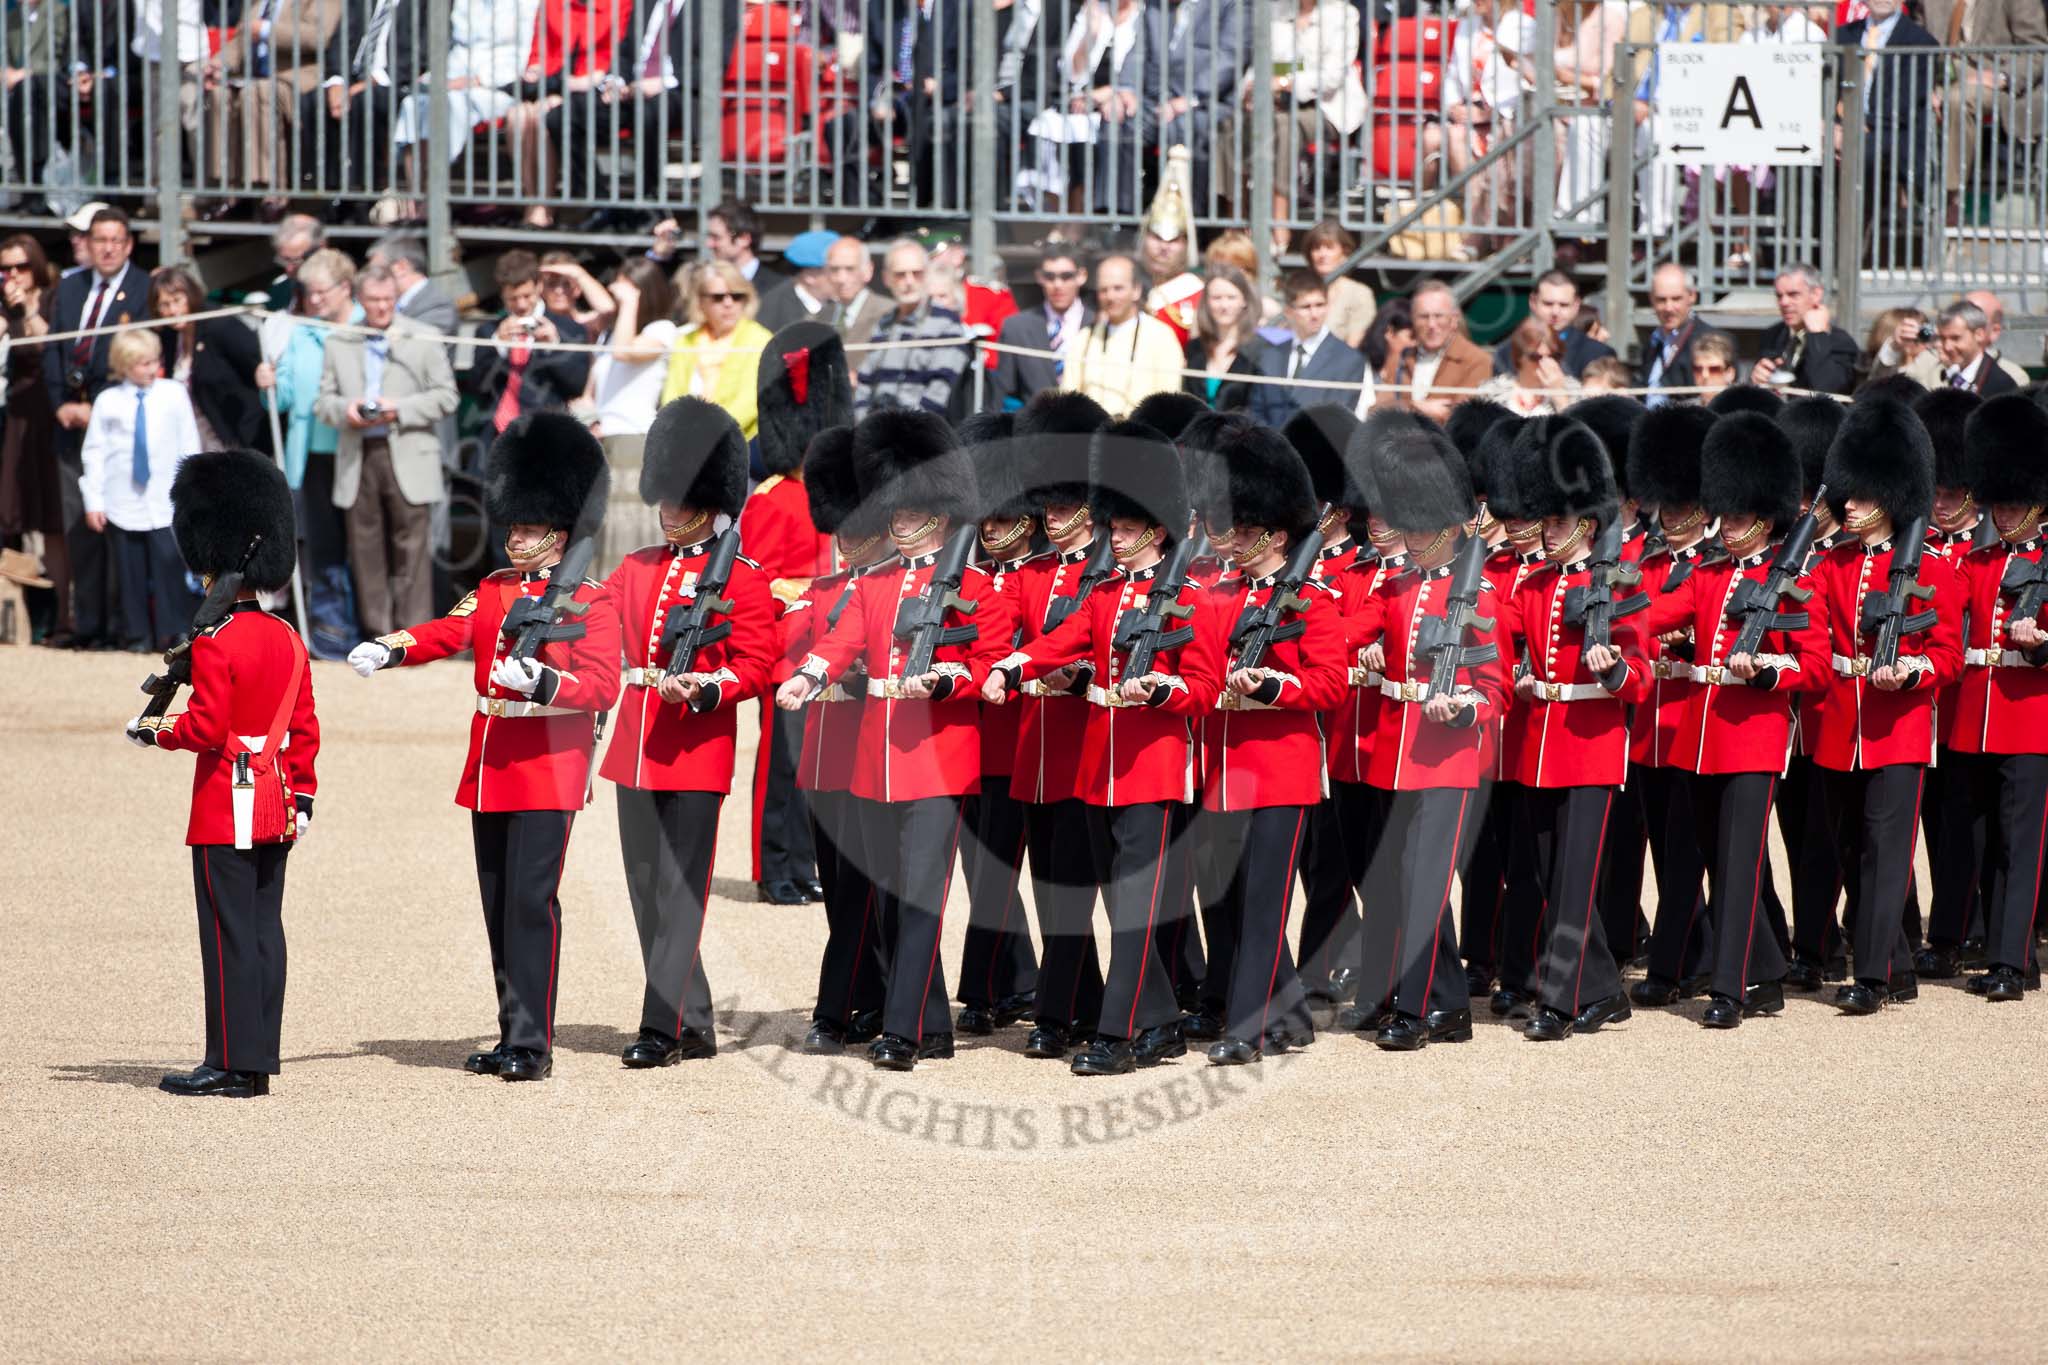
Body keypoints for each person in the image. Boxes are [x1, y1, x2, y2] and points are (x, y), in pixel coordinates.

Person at [346, 413, 623, 1082]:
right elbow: (451, 629)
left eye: (527, 527)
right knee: (499, 904)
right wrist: (393, 645)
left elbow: (602, 686)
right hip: (493, 763)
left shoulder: (593, 596)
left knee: (532, 903)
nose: (515, 534)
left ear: (559, 531)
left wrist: (543, 679)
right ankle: (510, 1034)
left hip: (550, 765)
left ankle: (533, 1043)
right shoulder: (497, 586)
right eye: (514, 524)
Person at [775, 410, 1011, 1072]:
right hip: (876, 761)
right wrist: (807, 677)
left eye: (908, 516)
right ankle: (932, 1023)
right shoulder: (876, 582)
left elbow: (990, 661)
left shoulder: (971, 585)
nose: (898, 525)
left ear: (936, 517)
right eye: (895, 515)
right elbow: (840, 639)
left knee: (915, 898)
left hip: (938, 760)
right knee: (890, 899)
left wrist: (946, 682)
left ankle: (902, 1031)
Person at [984, 421, 1214, 1073]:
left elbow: (1201, 684)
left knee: (1136, 908)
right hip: (1096, 769)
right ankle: (1162, 1021)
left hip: (1153, 767)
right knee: (1121, 904)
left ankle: (1115, 1035)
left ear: (1156, 528)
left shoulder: (1184, 598)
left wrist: (1161, 692)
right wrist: (1014, 666)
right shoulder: (1107, 594)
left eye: (1124, 525)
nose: (1113, 534)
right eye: (1112, 524)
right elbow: (1063, 641)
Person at [126, 449, 317, 1098]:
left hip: (227, 797)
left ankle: (229, 1062)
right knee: (264, 927)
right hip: (280, 796)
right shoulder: (289, 636)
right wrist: (304, 792)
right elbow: (306, 727)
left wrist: (158, 729)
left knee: (226, 931)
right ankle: (257, 1058)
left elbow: (206, 728)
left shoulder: (216, 640)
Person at [601, 397, 775, 1067]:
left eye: (680, 500)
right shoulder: (639, 566)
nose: (668, 511)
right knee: (647, 891)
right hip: (636, 748)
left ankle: (661, 1025)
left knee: (679, 893)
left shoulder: (744, 579)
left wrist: (705, 688)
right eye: (665, 499)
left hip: (697, 749)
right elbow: (595, 619)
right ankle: (694, 1018)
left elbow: (754, 665)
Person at [1345, 415, 1514, 1048]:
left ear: (1447, 527)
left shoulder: (1481, 595)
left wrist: (1463, 707)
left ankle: (1420, 1011)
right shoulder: (1397, 589)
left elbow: (1494, 688)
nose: (1409, 538)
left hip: (1447, 756)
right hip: (1398, 751)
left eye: (1419, 527)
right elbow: (1341, 638)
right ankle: (1444, 1004)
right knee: (1405, 881)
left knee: (1424, 883)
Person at [1184, 417, 1345, 1063]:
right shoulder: (1215, 595)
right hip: (1222, 766)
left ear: (1277, 532)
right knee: (1231, 898)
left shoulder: (1311, 598)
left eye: (1245, 529)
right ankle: (1292, 1016)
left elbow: (1330, 684)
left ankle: (1246, 1030)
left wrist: (1276, 687)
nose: (1232, 538)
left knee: (1262, 904)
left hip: (1281, 769)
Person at [1807, 397, 1966, 1013]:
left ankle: (1871, 975)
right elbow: (1814, 636)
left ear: (1892, 495)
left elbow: (1949, 654)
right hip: (1840, 727)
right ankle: (1896, 965)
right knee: (1850, 846)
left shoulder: (1935, 569)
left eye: (1863, 495)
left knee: (1884, 847)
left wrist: (1913, 670)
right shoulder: (1832, 564)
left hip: (1898, 727)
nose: (1848, 504)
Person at [1496, 415, 1649, 1040]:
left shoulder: (1616, 584)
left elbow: (1638, 675)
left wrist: (1612, 673)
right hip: (1538, 742)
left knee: (1572, 879)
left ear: (1585, 523)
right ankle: (1604, 989)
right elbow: (1499, 641)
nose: (1546, 531)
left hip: (1590, 745)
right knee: (1549, 874)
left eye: (1556, 522)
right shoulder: (1533, 582)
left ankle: (1560, 1003)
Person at [784, 426, 894, 1056]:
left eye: (858, 529)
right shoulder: (820, 591)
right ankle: (864, 998)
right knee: (841, 890)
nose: (848, 540)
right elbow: (782, 653)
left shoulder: (891, 588)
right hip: (824, 761)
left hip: (870, 753)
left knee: (865, 890)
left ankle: (841, 1006)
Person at [744, 321, 852, 905]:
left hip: (834, 648)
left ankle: (807, 862)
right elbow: (754, 582)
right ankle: (773, 865)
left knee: (820, 765)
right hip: (787, 648)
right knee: (781, 766)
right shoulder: (772, 500)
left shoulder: (837, 497)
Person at [1945, 395, 2048, 1000]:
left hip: (2030, 717)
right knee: (1983, 841)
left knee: (2022, 842)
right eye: (1999, 503)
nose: (2003, 514)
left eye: (2014, 504)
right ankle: (2002, 949)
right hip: (1975, 715)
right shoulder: (1980, 561)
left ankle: (2013, 959)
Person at [1619, 404, 1718, 1007]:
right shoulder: (1648, 563)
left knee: (1691, 851)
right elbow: (1638, 621)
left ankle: (1676, 963)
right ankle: (1693, 952)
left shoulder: (1714, 566)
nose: (1674, 517)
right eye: (1669, 506)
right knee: (1665, 847)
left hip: (1694, 723)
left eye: (1684, 507)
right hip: (1648, 726)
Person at [952, 412, 1043, 1036]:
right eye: (985, 519)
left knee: (1011, 871)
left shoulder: (1041, 576)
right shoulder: (966, 575)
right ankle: (1001, 985)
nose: (990, 530)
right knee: (982, 872)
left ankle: (1010, 985)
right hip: (971, 736)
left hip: (1025, 736)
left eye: (1002, 519)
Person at [317, 263, 458, 638]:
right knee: (365, 549)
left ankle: (414, 635)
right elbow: (324, 402)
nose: (382, 308)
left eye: (389, 300)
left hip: (408, 447)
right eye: (374, 301)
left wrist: (400, 408)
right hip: (358, 452)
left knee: (412, 547)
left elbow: (447, 396)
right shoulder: (339, 339)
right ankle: (377, 633)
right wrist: (345, 410)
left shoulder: (424, 336)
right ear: (360, 299)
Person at [46, 206, 150, 650]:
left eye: (115, 240)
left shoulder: (143, 290)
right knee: (79, 526)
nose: (106, 248)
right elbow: (53, 349)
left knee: (120, 525)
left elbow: (141, 355)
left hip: (118, 428)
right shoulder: (69, 289)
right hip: (71, 427)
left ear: (127, 245)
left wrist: (97, 405)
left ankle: (124, 626)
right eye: (99, 239)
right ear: (87, 243)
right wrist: (61, 405)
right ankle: (87, 624)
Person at [259, 247, 362, 659]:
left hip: (355, 450)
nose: (314, 300)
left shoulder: (366, 327)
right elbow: (283, 399)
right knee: (322, 545)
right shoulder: (300, 332)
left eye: (322, 292)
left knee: (362, 545)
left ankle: (367, 626)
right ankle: (330, 632)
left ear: (344, 288)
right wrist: (269, 381)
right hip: (310, 454)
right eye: (309, 292)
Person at [78, 327, 202, 652]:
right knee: (128, 573)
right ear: (124, 364)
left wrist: (191, 493)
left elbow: (189, 444)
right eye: (142, 363)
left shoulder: (173, 393)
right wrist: (94, 500)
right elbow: (95, 452)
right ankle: (136, 635)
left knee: (169, 567)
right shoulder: (108, 401)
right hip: (122, 501)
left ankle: (173, 632)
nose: (150, 369)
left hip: (165, 501)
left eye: (154, 361)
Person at [1220, 2, 1364, 245]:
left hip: (1326, 106)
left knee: (1284, 126)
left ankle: (1280, 221)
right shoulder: (1275, 10)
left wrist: (1284, 83)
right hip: (1275, 102)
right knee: (1230, 124)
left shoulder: (1344, 14)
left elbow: (1331, 76)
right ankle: (1235, 220)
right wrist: (1252, 89)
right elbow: (1262, 64)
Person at [383, 0, 534, 221]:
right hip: (458, 76)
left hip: (502, 84)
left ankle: (436, 194)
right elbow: (459, 48)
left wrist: (475, 80)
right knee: (414, 103)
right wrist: (439, 77)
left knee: (450, 105)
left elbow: (524, 52)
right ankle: (418, 198)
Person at [1091, 0, 1244, 215]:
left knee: (1190, 128)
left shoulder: (1232, 4)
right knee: (1117, 119)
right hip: (1155, 102)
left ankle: (1188, 221)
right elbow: (1138, 52)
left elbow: (1230, 58)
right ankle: (1117, 218)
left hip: (1205, 102)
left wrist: (1189, 99)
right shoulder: (1156, 6)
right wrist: (1125, 90)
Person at [202, 0, 345, 217]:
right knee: (219, 94)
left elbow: (318, 37)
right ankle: (228, 192)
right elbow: (242, 37)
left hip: (299, 74)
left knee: (259, 93)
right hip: (254, 76)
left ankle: (272, 192)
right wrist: (219, 64)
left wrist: (268, 30)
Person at [1835, 0, 1938, 267]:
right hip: (1841, 128)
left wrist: (1858, 125)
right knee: (1802, 157)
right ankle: (1809, 253)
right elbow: (1825, 85)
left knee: (1863, 154)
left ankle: (1849, 255)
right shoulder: (1842, 35)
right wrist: (1830, 124)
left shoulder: (1920, 41)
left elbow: (1905, 103)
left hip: (1890, 132)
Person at [506, 0, 623, 230]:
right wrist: (535, 72)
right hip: (550, 85)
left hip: (585, 89)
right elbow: (539, 54)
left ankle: (546, 204)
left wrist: (564, 86)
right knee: (517, 117)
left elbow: (610, 59)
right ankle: (532, 200)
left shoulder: (616, 6)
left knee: (545, 115)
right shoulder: (552, 4)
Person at [0, 234, 63, 638]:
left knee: (53, 518)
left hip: (48, 415)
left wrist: (25, 308)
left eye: (22, 266)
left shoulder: (55, 298)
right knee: (12, 514)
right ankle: (17, 614)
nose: (15, 276)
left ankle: (60, 615)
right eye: (6, 269)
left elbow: (48, 345)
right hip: (14, 417)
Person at [464, 250, 593, 441]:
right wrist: (497, 346)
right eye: (513, 299)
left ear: (539, 286)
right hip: (497, 436)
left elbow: (576, 386)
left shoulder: (569, 329)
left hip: (548, 435)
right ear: (502, 294)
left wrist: (553, 348)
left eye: (527, 296)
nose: (522, 305)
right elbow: (475, 387)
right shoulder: (488, 331)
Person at [148, 266, 269, 455]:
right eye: (164, 305)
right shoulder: (170, 336)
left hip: (236, 435)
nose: (173, 310)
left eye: (177, 300)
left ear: (190, 295)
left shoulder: (219, 324)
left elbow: (258, 362)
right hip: (194, 437)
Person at [853, 239, 972, 419]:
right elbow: (864, 384)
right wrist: (865, 430)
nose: (909, 281)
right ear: (886, 278)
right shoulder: (883, 323)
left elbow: (939, 393)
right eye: (900, 274)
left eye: (916, 273)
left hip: (920, 435)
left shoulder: (947, 323)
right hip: (874, 434)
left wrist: (905, 433)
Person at [1061, 254, 1183, 418]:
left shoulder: (1161, 336)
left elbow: (1169, 402)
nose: (1110, 296)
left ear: (1136, 290)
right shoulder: (1085, 338)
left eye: (1118, 288)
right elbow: (1069, 398)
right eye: (1104, 290)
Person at [1248, 270, 1368, 427]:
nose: (1314, 314)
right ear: (1289, 312)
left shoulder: (1349, 359)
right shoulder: (1270, 356)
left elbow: (1338, 420)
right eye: (1306, 307)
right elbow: (1255, 412)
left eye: (1320, 305)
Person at [990, 245, 1094, 412]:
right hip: (1034, 431)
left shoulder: (1098, 325)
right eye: (1050, 276)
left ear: (1081, 276)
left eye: (1066, 276)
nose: (1057, 284)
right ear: (1039, 277)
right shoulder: (1016, 327)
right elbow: (1002, 395)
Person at [1379, 279, 1492, 422]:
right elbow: (1376, 410)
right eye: (1424, 317)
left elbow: (1463, 420)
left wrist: (1404, 409)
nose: (1432, 324)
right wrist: (1416, 407)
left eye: (1439, 316)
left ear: (1454, 319)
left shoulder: (1477, 360)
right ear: (1412, 319)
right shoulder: (1401, 356)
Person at [1751, 265, 1860, 396]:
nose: (1784, 302)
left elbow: (1827, 389)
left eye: (1793, 294)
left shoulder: (1841, 341)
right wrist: (1757, 378)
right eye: (1779, 296)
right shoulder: (1771, 335)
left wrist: (1817, 336)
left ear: (1816, 294)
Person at [1491, 271, 1615, 379]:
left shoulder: (1598, 354)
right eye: (1548, 304)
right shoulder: (1506, 352)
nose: (1555, 312)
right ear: (1533, 302)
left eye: (1564, 305)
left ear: (1576, 305)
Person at [1637, 263, 1730, 406]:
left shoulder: (1713, 340)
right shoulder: (1652, 342)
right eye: (1661, 300)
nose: (1668, 308)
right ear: (1651, 299)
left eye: (1676, 299)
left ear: (1692, 296)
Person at [1182, 263, 1270, 411]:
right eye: (1217, 298)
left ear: (1244, 301)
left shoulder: (1260, 350)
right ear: (1206, 302)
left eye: (1231, 297)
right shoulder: (1194, 348)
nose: (1224, 305)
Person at [1477, 317, 1581, 415]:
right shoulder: (1491, 392)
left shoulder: (1573, 391)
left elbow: (1579, 432)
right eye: (1536, 357)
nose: (1546, 362)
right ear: (1519, 356)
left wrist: (1560, 397)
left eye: (1554, 356)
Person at [1303, 219, 1375, 349]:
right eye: (1316, 248)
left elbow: (1354, 347)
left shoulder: (1359, 294)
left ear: (1344, 252)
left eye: (1329, 248)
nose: (1322, 254)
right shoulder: (1300, 290)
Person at [366, 234, 458, 334]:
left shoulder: (439, 308)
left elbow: (413, 345)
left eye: (378, 270)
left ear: (400, 267)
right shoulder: (394, 303)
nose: (373, 278)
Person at [1928, 301, 2021, 397]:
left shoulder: (2001, 385)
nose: (1947, 347)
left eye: (1955, 338)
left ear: (1979, 335)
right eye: (1943, 338)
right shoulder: (1951, 375)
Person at [754, 231, 841, 334]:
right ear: (810, 276)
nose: (843, 278)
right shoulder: (772, 312)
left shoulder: (841, 304)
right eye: (835, 270)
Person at [703, 199, 787, 293]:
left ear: (744, 239)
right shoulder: (703, 283)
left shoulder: (778, 289)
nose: (709, 244)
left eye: (716, 237)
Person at [823, 235, 891, 347]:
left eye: (850, 269)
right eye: (834, 269)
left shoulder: (889, 314)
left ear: (868, 271)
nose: (842, 278)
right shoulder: (817, 319)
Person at [538, 251, 619, 338]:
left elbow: (607, 308)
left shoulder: (587, 322)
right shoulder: (537, 321)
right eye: (551, 284)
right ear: (542, 289)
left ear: (577, 289)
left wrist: (578, 273)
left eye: (566, 284)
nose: (559, 291)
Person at [1688, 333, 1739, 402]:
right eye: (1698, 369)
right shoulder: (1684, 410)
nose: (1705, 375)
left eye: (1714, 369)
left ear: (1730, 374)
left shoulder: (1743, 410)